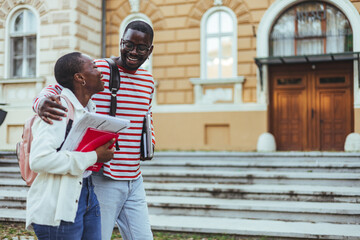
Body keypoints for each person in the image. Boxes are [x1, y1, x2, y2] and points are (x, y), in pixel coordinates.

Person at [32, 20, 155, 240]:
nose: (134, 52)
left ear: (150, 50)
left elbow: (147, 115)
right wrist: (40, 102)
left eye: (142, 47)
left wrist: (149, 141)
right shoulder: (100, 70)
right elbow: (57, 87)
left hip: (134, 178)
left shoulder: (148, 80)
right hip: (104, 176)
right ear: (121, 42)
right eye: (128, 44)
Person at [26, 52, 115, 240]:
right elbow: (39, 160)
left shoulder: (88, 109)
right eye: (94, 67)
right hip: (57, 204)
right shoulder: (57, 109)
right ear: (80, 78)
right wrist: (94, 156)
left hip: (87, 192)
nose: (100, 72)